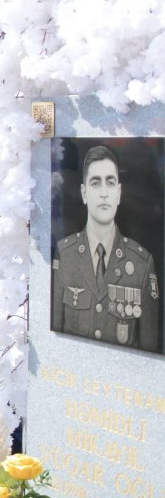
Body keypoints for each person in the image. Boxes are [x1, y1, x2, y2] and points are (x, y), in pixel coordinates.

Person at [52, 144, 160, 352]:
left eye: (110, 183)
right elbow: (55, 340)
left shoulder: (142, 264)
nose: (103, 193)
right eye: (95, 183)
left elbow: (149, 356)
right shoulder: (65, 255)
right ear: (84, 193)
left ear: (118, 193)